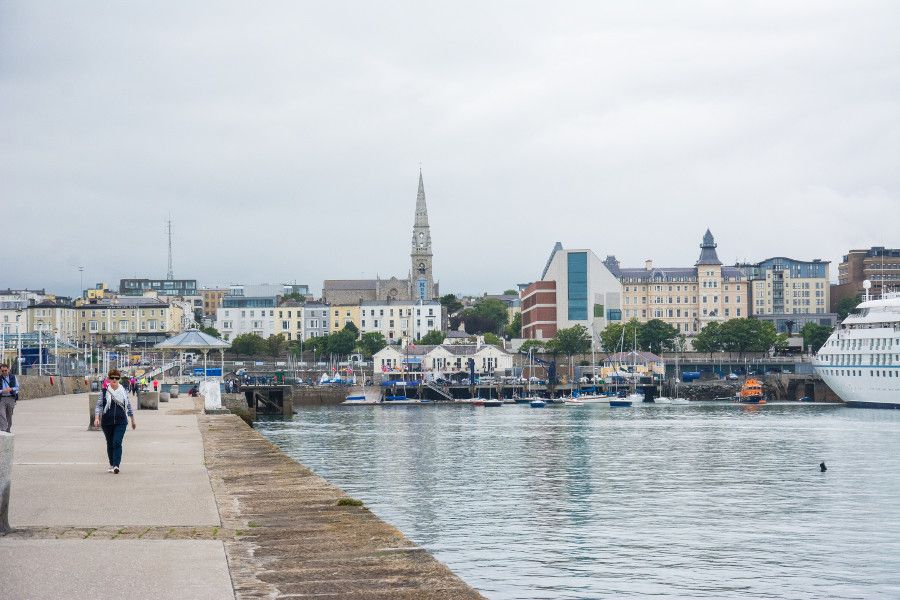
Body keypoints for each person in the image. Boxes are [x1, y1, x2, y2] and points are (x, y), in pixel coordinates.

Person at [93, 369, 136, 474]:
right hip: (107, 422)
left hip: (121, 421)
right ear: (108, 379)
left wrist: (132, 420)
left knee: (117, 442)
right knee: (110, 443)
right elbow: (99, 405)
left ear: (119, 379)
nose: (114, 380)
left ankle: (116, 465)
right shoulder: (104, 391)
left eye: (116, 378)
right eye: (112, 377)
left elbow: (128, 406)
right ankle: (111, 464)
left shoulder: (123, 391)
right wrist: (97, 418)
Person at [0, 363, 19, 433]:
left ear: (8, 370)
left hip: (11, 398)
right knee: (1, 414)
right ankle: (3, 430)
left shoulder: (13, 377)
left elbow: (17, 387)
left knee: (9, 415)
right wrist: (2, 391)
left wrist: (11, 389)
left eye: (5, 370)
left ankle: (8, 430)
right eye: (2, 371)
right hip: (2, 398)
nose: (4, 372)